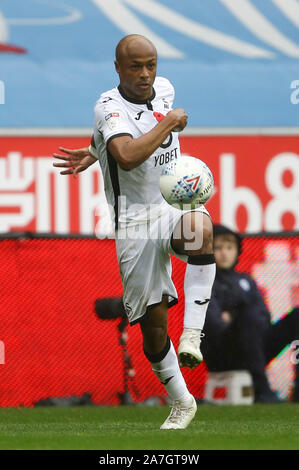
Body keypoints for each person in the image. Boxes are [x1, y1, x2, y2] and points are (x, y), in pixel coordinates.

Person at [53, 34, 216, 429]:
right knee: (153, 329)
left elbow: (121, 138)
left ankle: (194, 335)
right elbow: (125, 156)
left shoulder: (165, 89)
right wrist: (169, 124)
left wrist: (93, 152)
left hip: (169, 205)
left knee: (200, 229)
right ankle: (182, 401)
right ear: (118, 69)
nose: (145, 75)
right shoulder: (107, 106)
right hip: (133, 220)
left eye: (151, 65)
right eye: (135, 67)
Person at [201, 224, 299, 403]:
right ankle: (261, 388)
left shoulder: (246, 280)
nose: (224, 253)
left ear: (237, 251)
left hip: (256, 347)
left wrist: (232, 314)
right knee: (248, 316)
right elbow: (214, 324)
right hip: (223, 352)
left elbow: (264, 317)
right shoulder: (204, 282)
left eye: (229, 248)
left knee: (296, 317)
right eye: (218, 248)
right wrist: (242, 315)